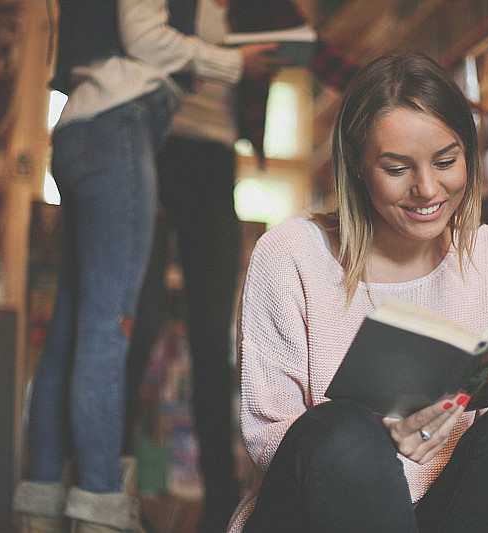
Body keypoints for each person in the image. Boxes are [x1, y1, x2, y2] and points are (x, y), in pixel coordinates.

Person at [228, 51, 488, 533]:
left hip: (448, 514)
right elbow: (269, 439)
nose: (427, 188)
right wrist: (378, 440)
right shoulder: (290, 255)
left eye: (446, 161)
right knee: (344, 430)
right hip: (321, 510)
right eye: (397, 168)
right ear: (354, 162)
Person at [11, 1, 280, 532]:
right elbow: (144, 35)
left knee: (71, 327)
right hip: (124, 119)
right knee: (111, 328)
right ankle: (101, 506)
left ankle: (40, 504)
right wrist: (232, 64)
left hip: (83, 121)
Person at [121, 1, 360, 531]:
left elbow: (327, 59)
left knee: (213, 338)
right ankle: (113, 483)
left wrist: (409, 94)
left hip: (213, 162)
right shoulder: (165, 6)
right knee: (139, 330)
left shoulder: (263, 6)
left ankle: (220, 496)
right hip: (151, 151)